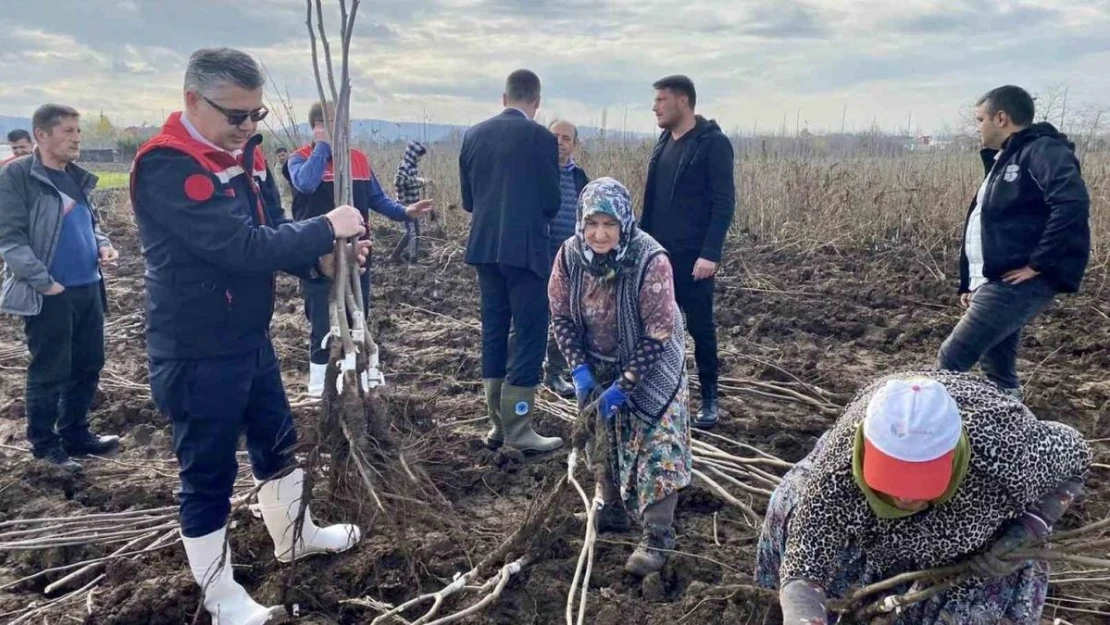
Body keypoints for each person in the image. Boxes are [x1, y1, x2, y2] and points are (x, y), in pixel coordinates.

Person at [130, 48, 369, 624]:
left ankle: (294, 534)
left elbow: (268, 234)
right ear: (192, 101)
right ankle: (221, 597)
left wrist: (321, 266)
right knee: (208, 471)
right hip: (196, 348)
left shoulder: (246, 157)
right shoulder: (171, 166)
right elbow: (235, 247)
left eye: (255, 116)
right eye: (234, 115)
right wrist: (324, 228)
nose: (245, 128)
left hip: (248, 336)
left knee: (275, 441)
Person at [756, 370, 1091, 624]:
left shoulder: (1008, 456)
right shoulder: (840, 469)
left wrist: (1028, 527)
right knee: (789, 501)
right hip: (866, 525)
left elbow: (1078, 456)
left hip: (972, 551)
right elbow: (804, 566)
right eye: (890, 478)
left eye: (919, 482)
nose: (903, 497)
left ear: (954, 459)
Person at [549, 177, 692, 576]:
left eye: (608, 224)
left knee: (656, 439)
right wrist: (579, 368)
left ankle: (657, 536)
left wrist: (625, 386)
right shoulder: (569, 255)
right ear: (581, 222)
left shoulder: (651, 259)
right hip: (597, 359)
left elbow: (659, 332)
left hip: (652, 361)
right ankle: (609, 508)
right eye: (592, 223)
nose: (599, 234)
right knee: (602, 433)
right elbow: (560, 315)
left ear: (624, 223)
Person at [938, 86, 1090, 399]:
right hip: (999, 278)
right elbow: (992, 223)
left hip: (1019, 282)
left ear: (1002, 118)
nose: (978, 127)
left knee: (951, 360)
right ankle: (1014, 429)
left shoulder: (1043, 150)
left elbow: (1072, 203)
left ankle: (926, 440)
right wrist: (973, 281)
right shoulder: (1006, 159)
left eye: (980, 119)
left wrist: (1038, 264)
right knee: (998, 371)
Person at [0, 105, 121, 473]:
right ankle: (45, 447)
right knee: (51, 369)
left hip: (88, 287)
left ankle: (76, 433)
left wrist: (103, 244)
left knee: (88, 364)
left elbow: (90, 225)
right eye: (68, 131)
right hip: (50, 292)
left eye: (78, 131)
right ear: (41, 135)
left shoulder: (75, 177)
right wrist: (45, 282)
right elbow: (10, 239)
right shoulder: (19, 176)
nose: (77, 138)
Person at [288, 101, 432, 396]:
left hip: (359, 255)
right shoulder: (299, 159)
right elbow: (305, 184)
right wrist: (322, 148)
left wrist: (405, 212)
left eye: (345, 124)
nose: (345, 131)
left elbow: (377, 199)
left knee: (358, 314)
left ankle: (359, 376)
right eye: (336, 124)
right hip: (318, 257)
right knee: (320, 319)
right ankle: (320, 386)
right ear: (318, 126)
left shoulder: (359, 159)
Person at [459, 69, 563, 453]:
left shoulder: (473, 135)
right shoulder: (541, 138)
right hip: (526, 251)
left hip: (484, 248)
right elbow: (552, 201)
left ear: (504, 99)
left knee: (494, 329)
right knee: (531, 332)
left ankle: (498, 426)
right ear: (536, 101)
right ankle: (519, 427)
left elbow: (469, 202)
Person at [639, 75, 735, 430]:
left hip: (695, 259)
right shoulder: (663, 142)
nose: (655, 107)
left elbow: (724, 204)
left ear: (683, 101)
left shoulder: (713, 144)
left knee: (700, 328)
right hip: (658, 257)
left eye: (661, 99)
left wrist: (710, 253)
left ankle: (710, 398)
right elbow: (652, 201)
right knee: (657, 326)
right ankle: (661, 390)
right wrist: (642, 247)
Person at [543, 119, 589, 398]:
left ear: (574, 144)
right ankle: (524, 372)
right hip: (537, 256)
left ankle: (555, 372)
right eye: (555, 137)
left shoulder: (580, 178)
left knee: (566, 317)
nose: (560, 142)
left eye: (566, 138)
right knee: (532, 316)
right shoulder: (535, 173)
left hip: (569, 261)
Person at [393, 139, 428, 263]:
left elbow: (409, 183)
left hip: (413, 205)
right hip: (405, 206)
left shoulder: (412, 168)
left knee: (413, 232)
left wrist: (420, 182)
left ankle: (395, 256)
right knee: (413, 233)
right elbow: (398, 182)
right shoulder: (404, 166)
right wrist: (417, 181)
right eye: (418, 155)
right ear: (412, 154)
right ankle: (413, 261)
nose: (419, 158)